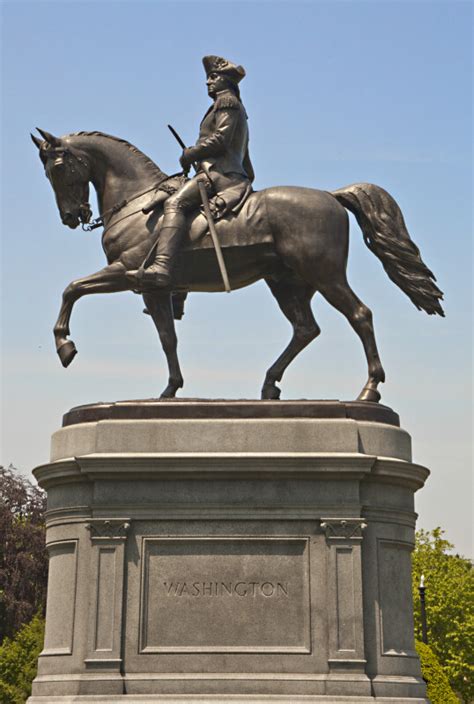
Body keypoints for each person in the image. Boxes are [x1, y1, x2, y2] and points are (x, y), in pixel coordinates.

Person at [128, 55, 254, 288]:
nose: (208, 82)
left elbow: (221, 140)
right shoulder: (231, 106)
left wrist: (191, 153)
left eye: (213, 77)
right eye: (207, 78)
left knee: (174, 204)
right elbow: (243, 154)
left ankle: (162, 266)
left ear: (226, 80)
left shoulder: (227, 102)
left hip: (220, 175)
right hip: (222, 172)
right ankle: (177, 293)